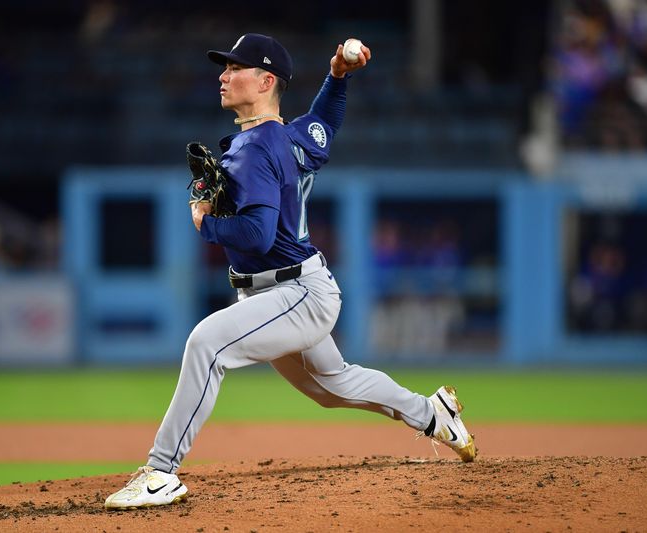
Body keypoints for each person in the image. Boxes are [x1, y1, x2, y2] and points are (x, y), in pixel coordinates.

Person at [104, 33, 476, 510]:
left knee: (206, 343)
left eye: (234, 68)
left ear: (265, 81)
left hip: (295, 291)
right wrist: (337, 77)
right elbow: (325, 122)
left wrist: (207, 221)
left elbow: (257, 235)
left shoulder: (257, 148)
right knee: (334, 384)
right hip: (289, 290)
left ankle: (160, 472)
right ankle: (433, 413)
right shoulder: (288, 137)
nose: (222, 75)